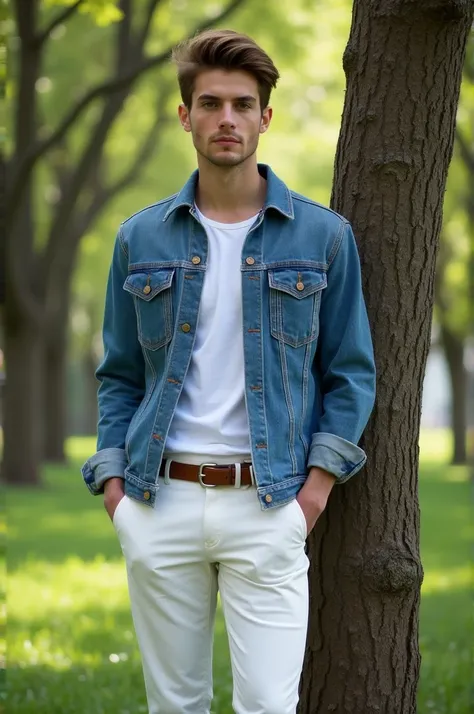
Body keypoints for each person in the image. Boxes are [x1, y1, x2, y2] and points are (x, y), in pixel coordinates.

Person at [81, 29, 376, 714]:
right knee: (175, 706)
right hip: (159, 502)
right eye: (210, 104)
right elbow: (120, 374)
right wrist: (116, 491)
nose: (227, 119)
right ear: (185, 116)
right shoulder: (140, 236)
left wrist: (314, 492)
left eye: (243, 104)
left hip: (269, 504)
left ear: (265, 117)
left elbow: (351, 371)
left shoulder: (322, 236)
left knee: (269, 707)